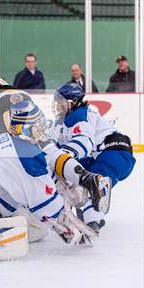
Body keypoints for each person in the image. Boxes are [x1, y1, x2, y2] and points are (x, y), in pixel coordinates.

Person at [0, 56, 110, 216]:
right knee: (47, 151)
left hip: (3, 112)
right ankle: (90, 181)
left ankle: (57, 202)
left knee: (23, 161)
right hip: (26, 104)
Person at [0, 100, 98, 245]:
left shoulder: (8, 139)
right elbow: (46, 206)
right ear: (30, 128)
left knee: (32, 225)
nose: (43, 130)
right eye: (40, 125)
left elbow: (48, 162)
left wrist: (71, 179)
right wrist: (69, 224)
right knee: (25, 231)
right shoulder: (26, 156)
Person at [52, 82, 136, 232]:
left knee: (95, 184)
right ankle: (84, 211)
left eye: (61, 102)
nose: (58, 105)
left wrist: (62, 156)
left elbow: (84, 142)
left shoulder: (81, 116)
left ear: (73, 102)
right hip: (103, 155)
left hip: (116, 154)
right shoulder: (66, 119)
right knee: (74, 173)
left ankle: (92, 222)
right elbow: (56, 145)